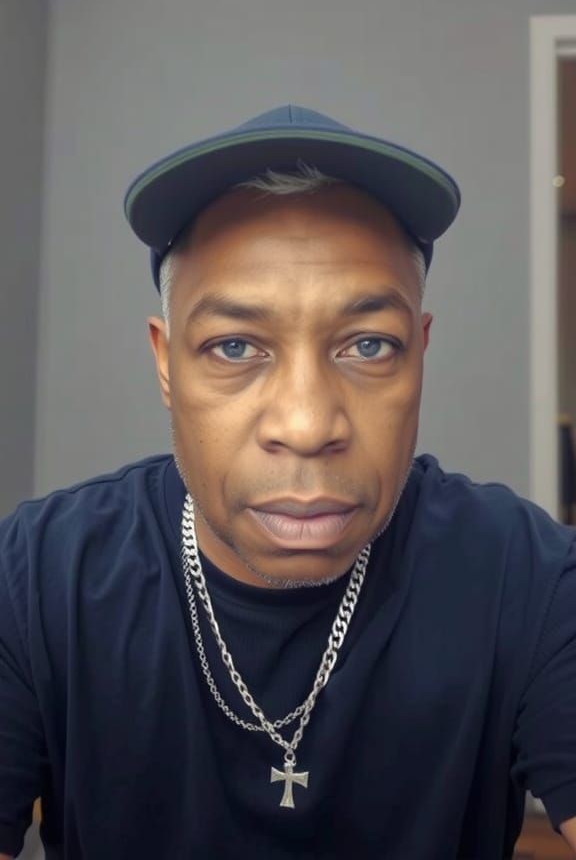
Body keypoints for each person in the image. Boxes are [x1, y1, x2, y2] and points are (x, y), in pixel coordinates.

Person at [1, 104, 575, 860]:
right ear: (166, 363)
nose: (306, 425)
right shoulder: (36, 577)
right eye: (235, 347)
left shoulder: (528, 577)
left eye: (368, 345)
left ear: (420, 352)